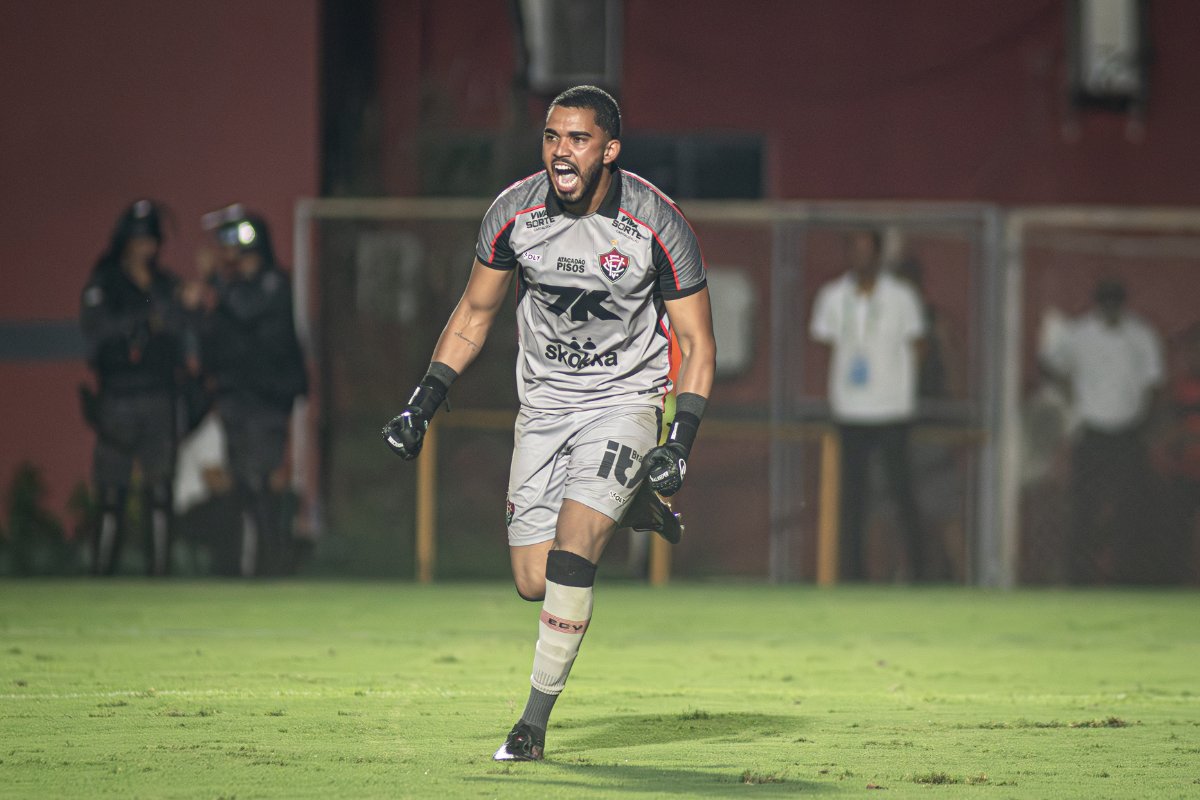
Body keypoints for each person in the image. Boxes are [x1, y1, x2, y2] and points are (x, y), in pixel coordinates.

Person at [382, 85, 716, 761]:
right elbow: (474, 315)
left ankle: (532, 724)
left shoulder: (656, 221)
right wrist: (423, 402)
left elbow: (699, 342)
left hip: (625, 402)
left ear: (610, 150)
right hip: (543, 408)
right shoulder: (514, 212)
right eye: (552, 137)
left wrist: (679, 440)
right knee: (533, 581)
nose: (562, 152)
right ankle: (632, 506)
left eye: (579, 139)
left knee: (571, 554)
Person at [80, 199, 197, 575]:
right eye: (141, 239)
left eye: (152, 241)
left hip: (159, 393)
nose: (148, 248)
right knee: (112, 488)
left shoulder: (164, 284)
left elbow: (180, 327)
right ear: (126, 241)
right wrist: (146, 320)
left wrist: (168, 309)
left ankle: (159, 572)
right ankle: (102, 571)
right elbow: (99, 331)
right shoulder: (106, 281)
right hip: (118, 395)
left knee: (160, 487)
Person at [809, 229, 927, 581]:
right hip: (850, 409)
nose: (860, 257)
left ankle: (920, 572)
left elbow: (919, 345)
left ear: (878, 255)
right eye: (854, 249)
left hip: (892, 409)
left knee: (902, 493)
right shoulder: (832, 295)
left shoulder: (902, 296)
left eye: (867, 250)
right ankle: (853, 574)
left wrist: (903, 385)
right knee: (852, 498)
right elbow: (825, 343)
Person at [201, 211, 308, 577]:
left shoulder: (273, 283)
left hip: (266, 399)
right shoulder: (231, 290)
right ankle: (236, 565)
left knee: (262, 481)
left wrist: (215, 278)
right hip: (236, 398)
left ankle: (271, 565)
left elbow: (247, 310)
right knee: (241, 483)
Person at [1039, 279, 1164, 583]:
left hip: (1129, 429)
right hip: (1091, 428)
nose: (1110, 311)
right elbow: (1052, 365)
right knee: (1084, 506)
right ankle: (1079, 575)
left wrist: (1149, 423)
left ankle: (1130, 575)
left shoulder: (1141, 335)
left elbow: (1153, 382)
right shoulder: (1079, 334)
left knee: (1132, 507)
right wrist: (1070, 398)